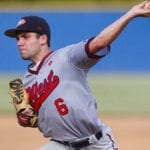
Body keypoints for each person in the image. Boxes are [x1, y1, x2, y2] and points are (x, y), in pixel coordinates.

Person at [4, 1, 150, 150]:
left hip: (95, 143)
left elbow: (100, 42)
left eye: (25, 37)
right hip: (60, 144)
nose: (19, 43)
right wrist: (24, 118)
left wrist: (131, 14)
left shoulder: (67, 57)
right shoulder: (26, 82)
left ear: (43, 39)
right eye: (18, 38)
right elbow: (36, 120)